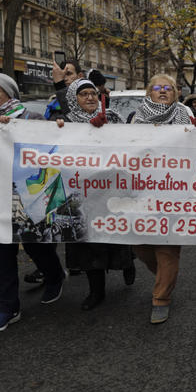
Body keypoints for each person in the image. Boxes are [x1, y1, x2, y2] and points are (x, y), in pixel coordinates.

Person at [0, 73, 65, 332]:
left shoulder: (31, 120)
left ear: (9, 93)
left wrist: (60, 128)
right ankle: (8, 308)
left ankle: (54, 277)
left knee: (37, 248)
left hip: (29, 200)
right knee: (1, 256)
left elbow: (55, 153)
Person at [56, 79, 136, 310]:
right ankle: (96, 291)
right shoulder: (65, 122)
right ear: (74, 98)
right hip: (82, 192)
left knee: (118, 234)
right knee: (87, 240)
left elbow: (130, 145)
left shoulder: (111, 118)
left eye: (93, 93)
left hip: (112, 188)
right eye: (84, 94)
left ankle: (128, 263)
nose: (90, 97)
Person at [130, 74, 193, 324]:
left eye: (168, 88)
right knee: (142, 247)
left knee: (166, 247)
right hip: (142, 190)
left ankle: (161, 297)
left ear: (176, 93)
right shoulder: (135, 118)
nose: (163, 91)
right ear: (149, 92)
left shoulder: (184, 115)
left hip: (173, 191)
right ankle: (166, 276)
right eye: (157, 88)